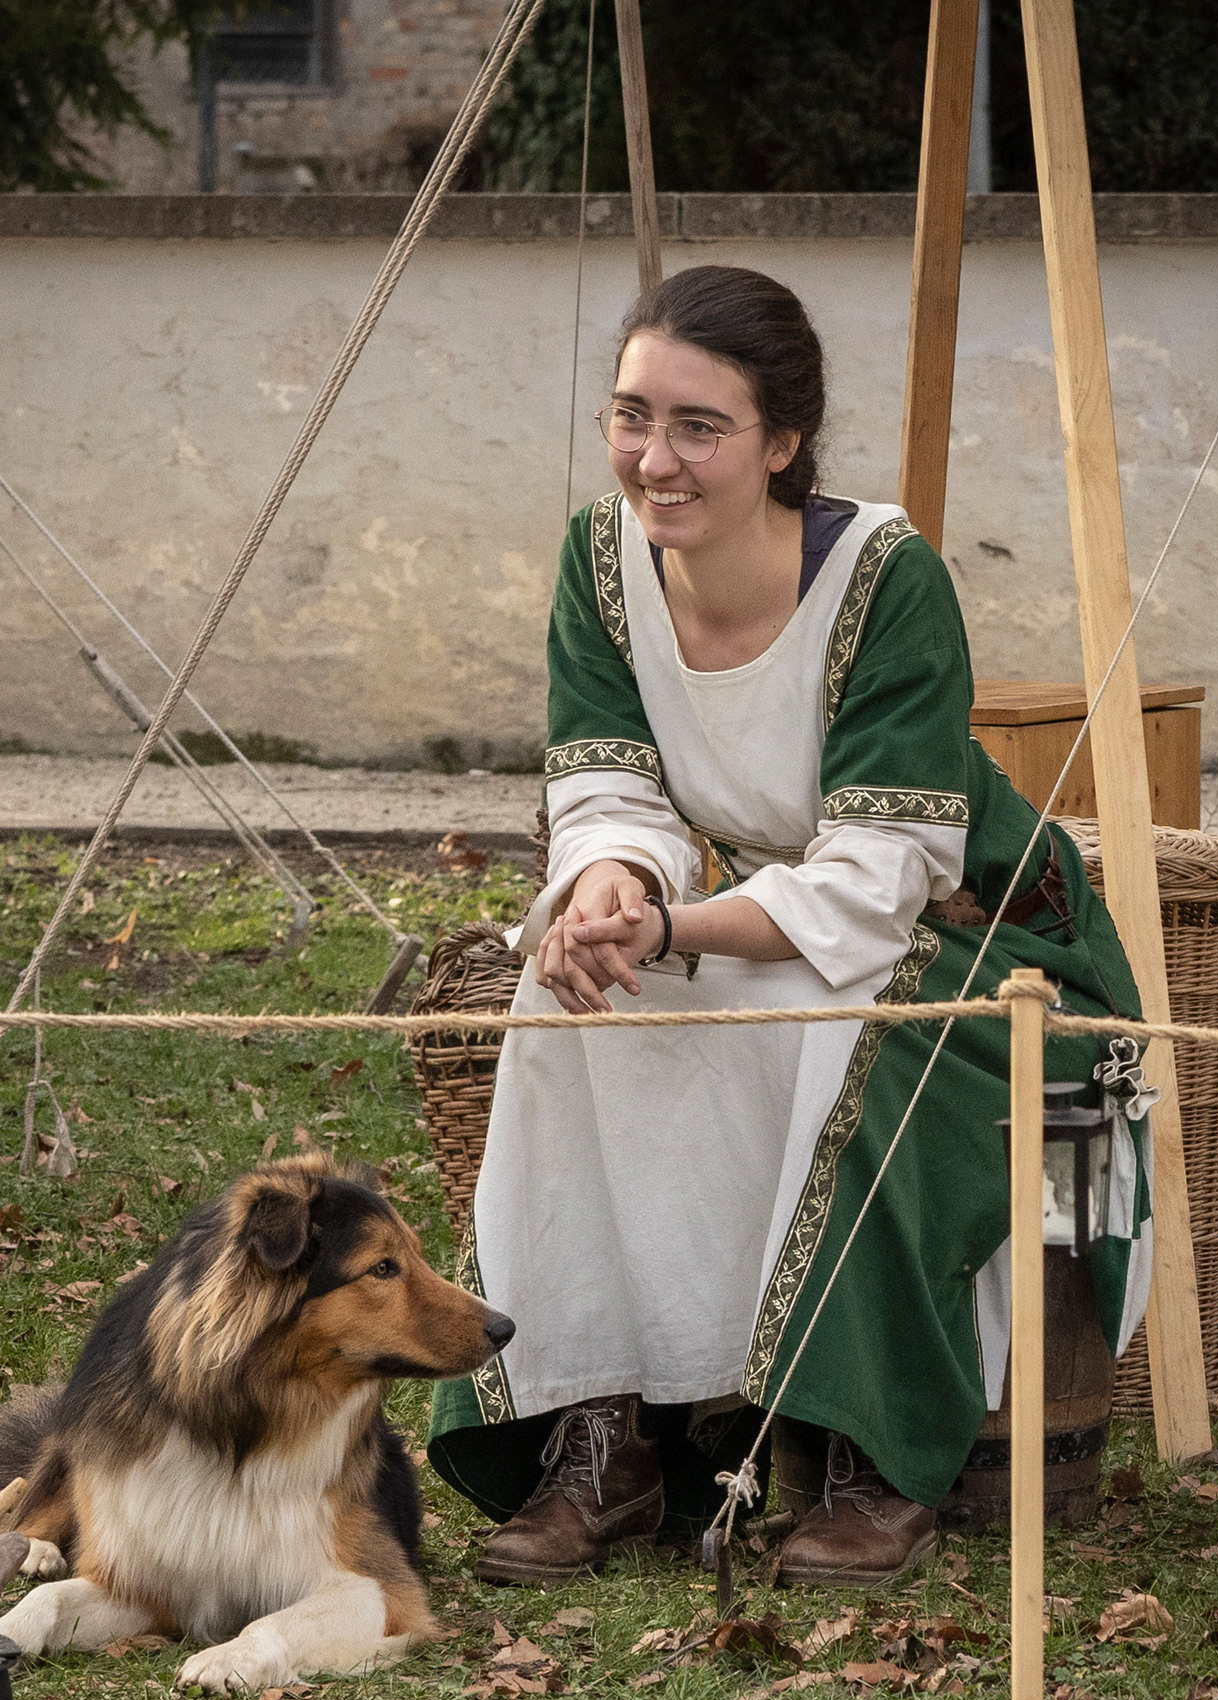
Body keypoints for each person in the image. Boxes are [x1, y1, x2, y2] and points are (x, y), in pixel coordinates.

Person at [427, 265, 1153, 1588]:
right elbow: (607, 786)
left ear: (781, 443)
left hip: (991, 948)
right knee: (569, 1003)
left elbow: (879, 877)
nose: (656, 458)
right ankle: (609, 1431)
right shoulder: (600, 564)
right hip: (766, 919)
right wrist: (611, 895)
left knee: (845, 1025)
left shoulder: (886, 580)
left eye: (699, 426)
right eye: (632, 415)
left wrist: (677, 925)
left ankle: (871, 1453)